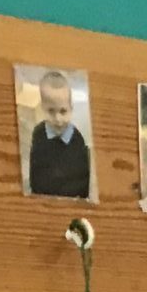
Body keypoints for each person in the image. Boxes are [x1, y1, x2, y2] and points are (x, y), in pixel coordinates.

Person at [28, 69, 91, 198]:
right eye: (51, 111)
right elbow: (35, 173)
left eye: (63, 111)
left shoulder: (78, 141)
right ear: (43, 108)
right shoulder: (38, 134)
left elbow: (82, 182)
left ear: (71, 109)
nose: (58, 119)